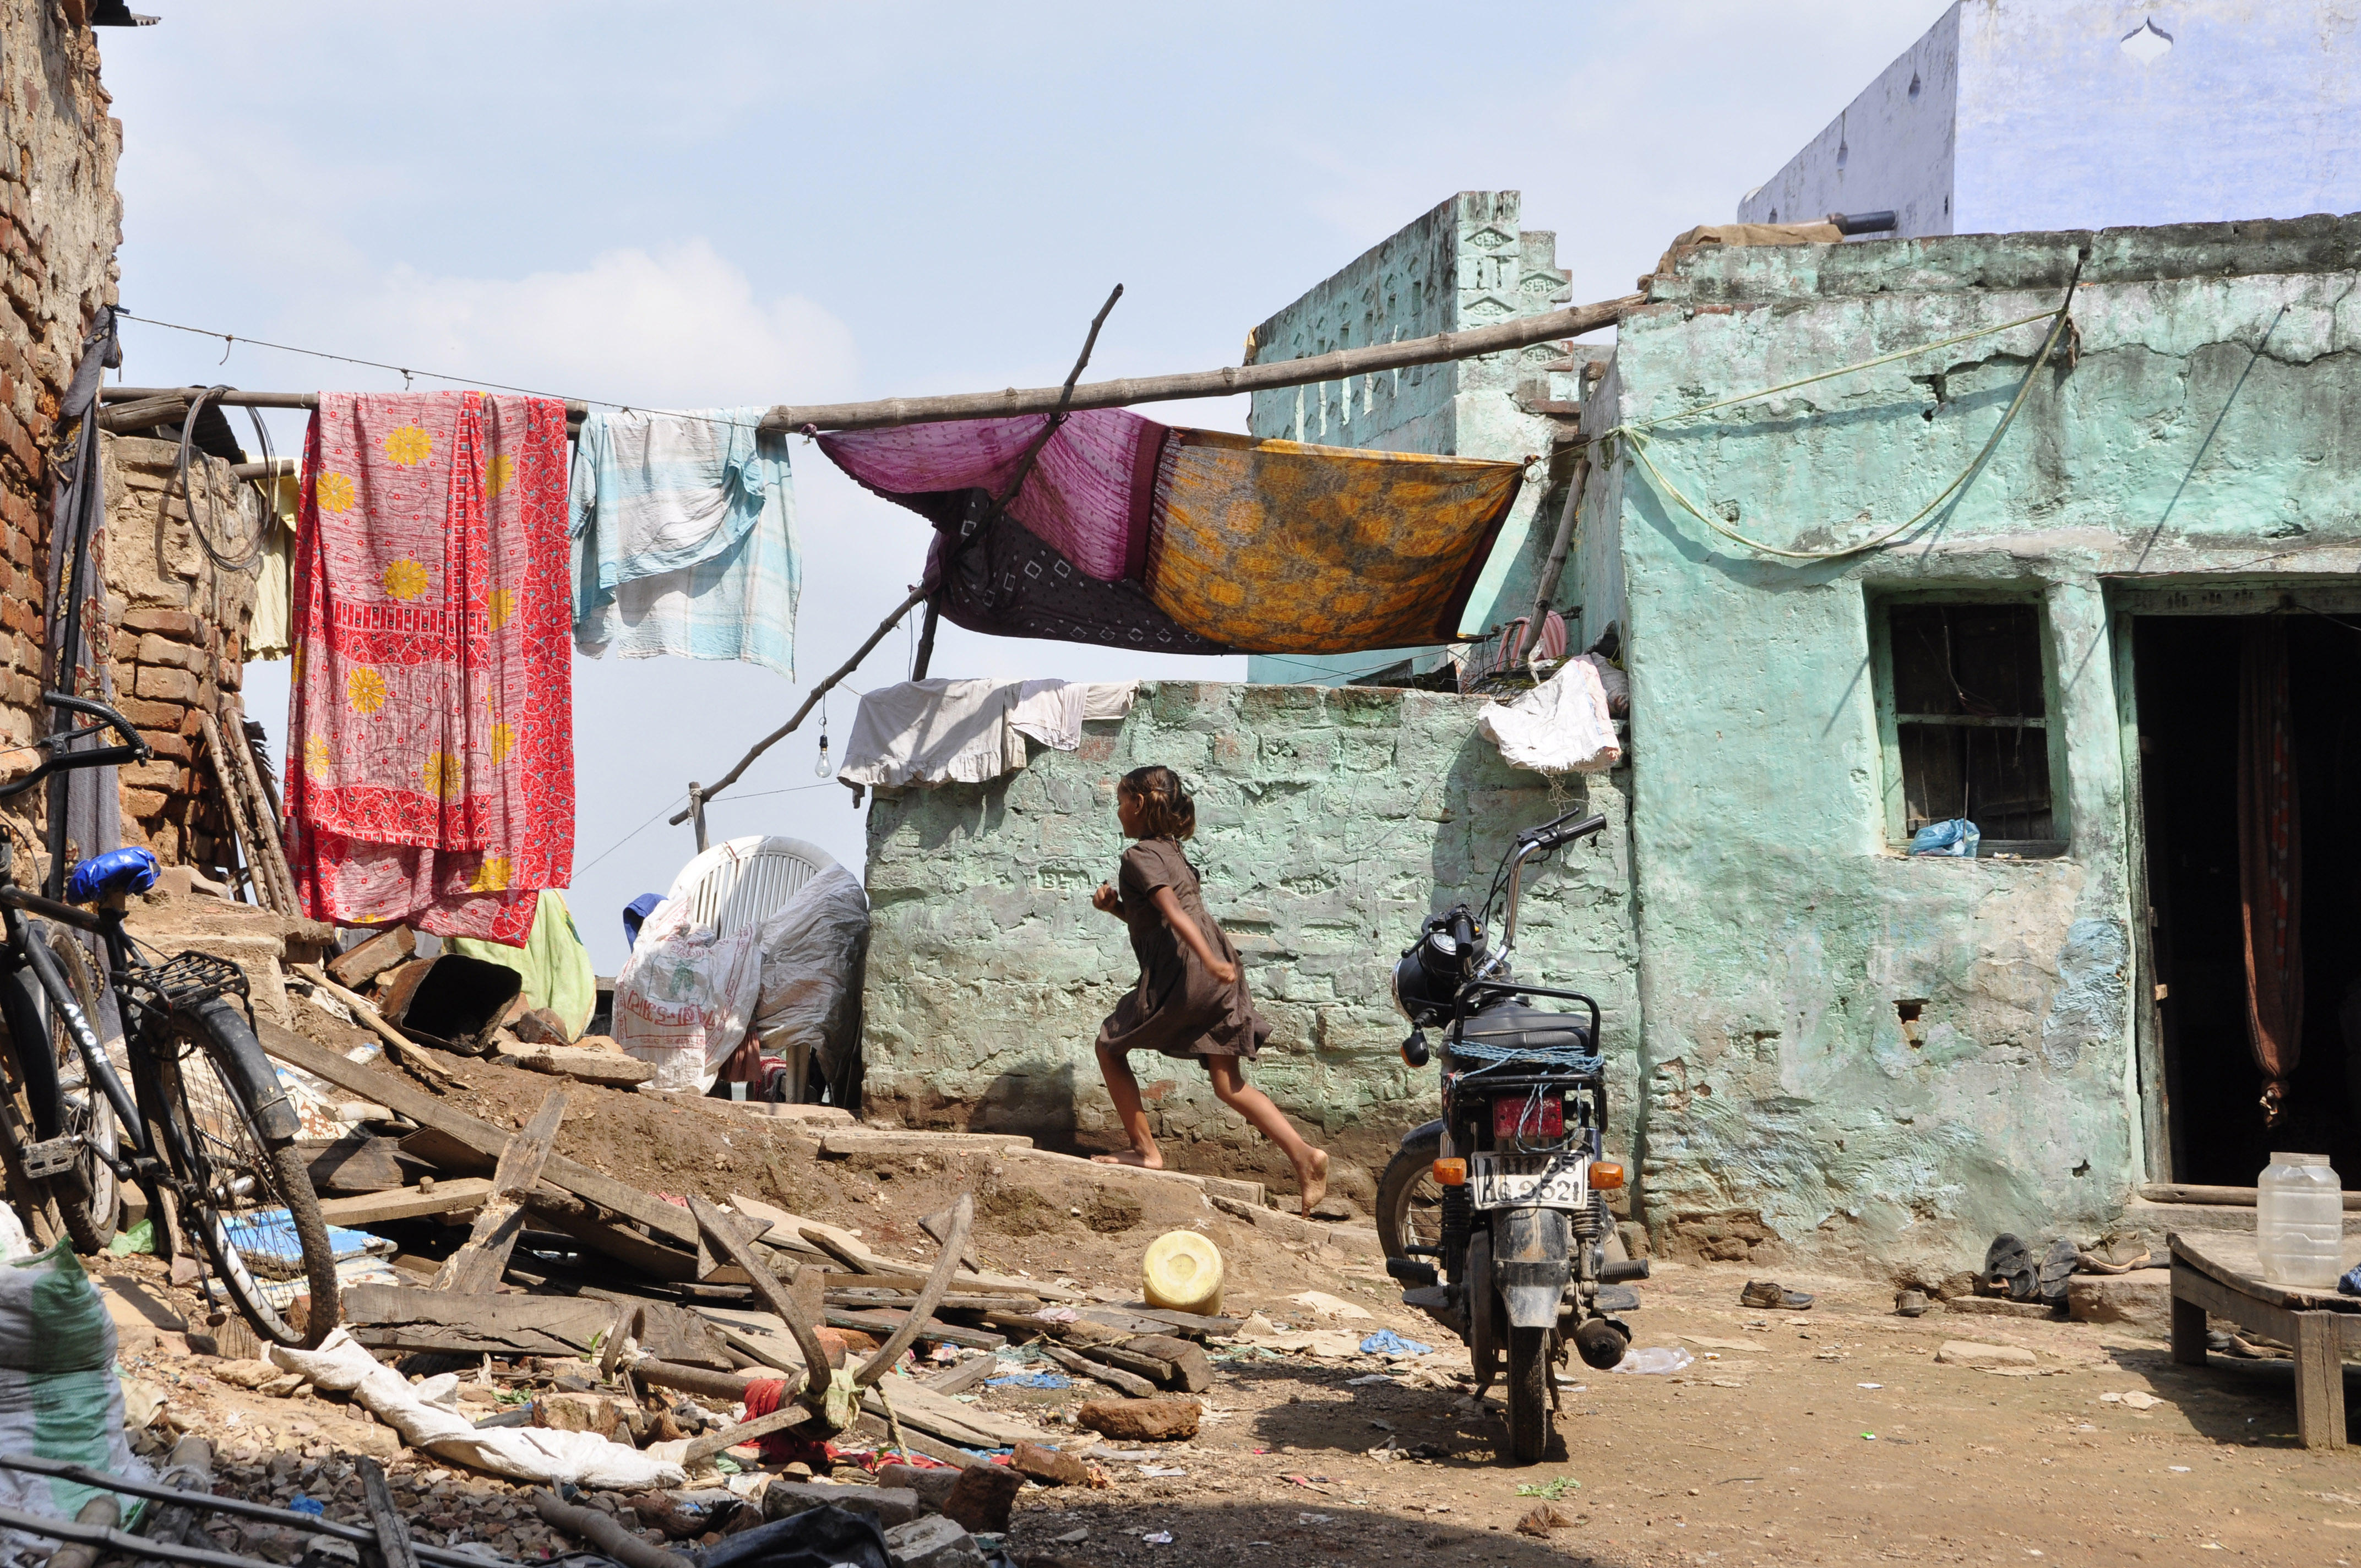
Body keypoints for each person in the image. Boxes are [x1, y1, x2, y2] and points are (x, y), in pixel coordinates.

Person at [1089, 764, 1328, 1215]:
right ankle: (1306, 1157)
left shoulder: (1138, 856)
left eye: (1120, 802)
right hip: (1217, 967)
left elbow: (1174, 914)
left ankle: (1146, 1151)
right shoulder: (1173, 851)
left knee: (1108, 1046)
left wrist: (1209, 963)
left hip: (1190, 973)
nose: (1117, 811)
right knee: (1228, 1084)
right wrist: (1115, 909)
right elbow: (1160, 920)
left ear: (1138, 804)